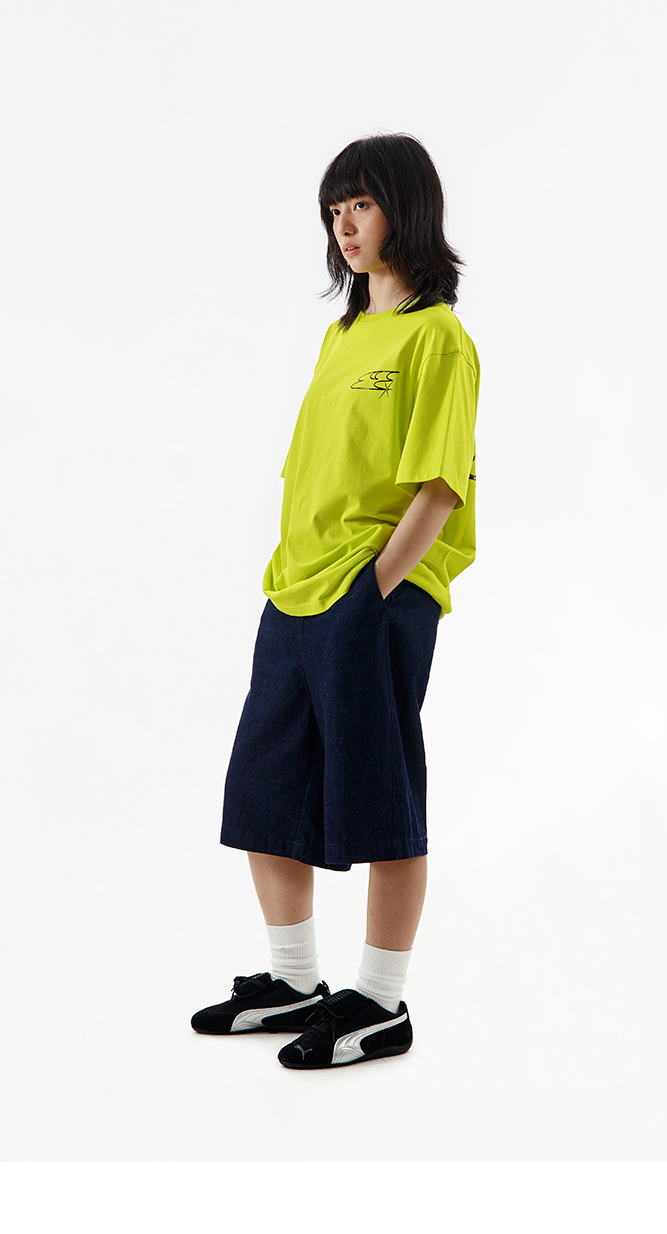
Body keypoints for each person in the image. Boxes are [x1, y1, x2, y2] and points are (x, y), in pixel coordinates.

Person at [191, 132, 481, 1069]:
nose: (343, 226)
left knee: (380, 791)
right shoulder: (345, 333)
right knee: (264, 788)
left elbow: (439, 487)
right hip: (296, 589)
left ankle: (383, 1002)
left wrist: (373, 588)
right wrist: (303, 574)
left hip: (372, 596)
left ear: (407, 207)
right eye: (333, 210)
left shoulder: (438, 338)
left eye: (360, 204)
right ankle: (294, 981)